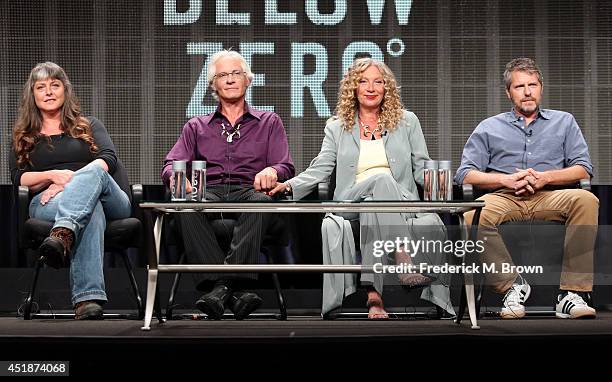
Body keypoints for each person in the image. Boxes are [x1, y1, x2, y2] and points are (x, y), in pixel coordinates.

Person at [270, 57, 454, 319]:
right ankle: (403, 261)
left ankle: (374, 299)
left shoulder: (407, 121)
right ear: (353, 88)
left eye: (378, 81)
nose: (371, 87)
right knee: (380, 181)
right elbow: (321, 168)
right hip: (349, 202)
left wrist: (446, 182)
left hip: (398, 202)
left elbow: (421, 167)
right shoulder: (337, 127)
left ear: (386, 87)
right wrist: (288, 186)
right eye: (363, 81)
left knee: (376, 202)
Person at [455, 57, 599, 319]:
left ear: (541, 87)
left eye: (533, 84)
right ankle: (513, 287)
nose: (528, 92)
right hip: (505, 196)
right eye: (520, 86)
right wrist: (505, 180)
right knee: (470, 215)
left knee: (586, 200)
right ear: (508, 92)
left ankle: (571, 294)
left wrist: (546, 178)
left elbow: (583, 168)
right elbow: (465, 174)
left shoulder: (564, 122)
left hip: (550, 196)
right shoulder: (489, 127)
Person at [161, 50, 295, 320]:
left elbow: (286, 166)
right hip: (208, 192)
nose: (231, 79)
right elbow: (169, 165)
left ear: (248, 81)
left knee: (261, 202)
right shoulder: (196, 126)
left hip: (250, 192)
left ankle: (219, 289)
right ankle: (233, 291)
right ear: (213, 85)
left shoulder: (269, 121)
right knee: (186, 206)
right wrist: (178, 178)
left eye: (237, 74)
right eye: (223, 75)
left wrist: (272, 170)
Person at [9, 62, 131, 320]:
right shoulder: (24, 135)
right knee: (91, 209)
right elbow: (19, 177)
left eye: (55, 85)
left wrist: (71, 180)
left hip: (111, 200)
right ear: (32, 94)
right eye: (41, 87)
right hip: (49, 202)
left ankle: (62, 234)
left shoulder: (89, 125)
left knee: (95, 173)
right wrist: (52, 176)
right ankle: (87, 301)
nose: (49, 91)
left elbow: (108, 159)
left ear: (65, 90)